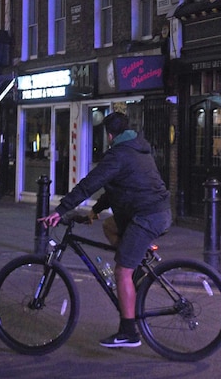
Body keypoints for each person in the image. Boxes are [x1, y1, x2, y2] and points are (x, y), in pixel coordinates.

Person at [39, 111, 171, 348]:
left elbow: (89, 184)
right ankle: (136, 267)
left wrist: (60, 211)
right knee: (110, 226)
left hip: (147, 216)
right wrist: (96, 211)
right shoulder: (138, 148)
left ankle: (129, 332)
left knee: (122, 270)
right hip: (154, 212)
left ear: (110, 135)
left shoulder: (118, 155)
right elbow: (118, 189)